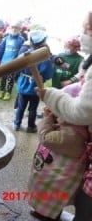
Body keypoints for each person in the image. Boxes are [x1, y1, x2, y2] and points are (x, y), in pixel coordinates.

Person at [35, 11, 92, 221]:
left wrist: (48, 114)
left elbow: (81, 112)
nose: (83, 34)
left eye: (87, 28)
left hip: (54, 180)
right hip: (58, 178)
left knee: (85, 207)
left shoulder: (72, 135)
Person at [28, 83, 88, 220]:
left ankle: (49, 217)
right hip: (52, 173)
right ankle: (43, 212)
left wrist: (47, 119)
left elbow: (46, 138)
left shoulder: (74, 135)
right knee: (46, 197)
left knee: (51, 200)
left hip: (58, 179)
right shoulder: (70, 126)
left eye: (58, 107)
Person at [13, 30, 54, 133]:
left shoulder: (24, 54)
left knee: (21, 107)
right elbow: (48, 75)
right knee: (33, 108)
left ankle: (17, 124)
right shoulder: (46, 58)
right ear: (44, 42)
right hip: (36, 86)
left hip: (23, 84)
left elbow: (16, 67)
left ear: (30, 41)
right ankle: (31, 126)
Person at [0, 20, 25, 101]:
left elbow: (22, 51)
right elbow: (1, 50)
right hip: (4, 62)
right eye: (12, 27)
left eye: (16, 27)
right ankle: (1, 90)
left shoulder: (21, 39)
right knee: (3, 78)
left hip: (13, 63)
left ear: (19, 29)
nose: (14, 29)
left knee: (10, 78)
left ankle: (8, 92)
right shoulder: (6, 38)